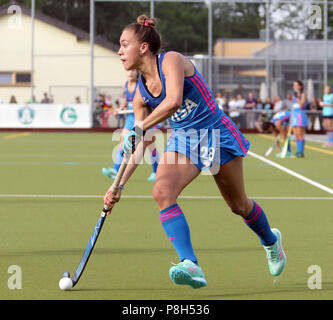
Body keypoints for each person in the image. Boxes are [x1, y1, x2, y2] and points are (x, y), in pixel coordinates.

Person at [104, 14, 286, 289]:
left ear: (143, 47)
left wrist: (140, 128)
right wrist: (118, 185)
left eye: (124, 44)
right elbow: (142, 143)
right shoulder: (140, 94)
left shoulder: (172, 60)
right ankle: (190, 264)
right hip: (183, 139)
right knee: (162, 192)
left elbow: (174, 100)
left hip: (215, 132)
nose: (119, 51)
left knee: (239, 205)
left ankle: (271, 242)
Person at [102, 69, 159, 182]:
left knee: (151, 146)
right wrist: (120, 109)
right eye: (128, 71)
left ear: (137, 73)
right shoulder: (126, 84)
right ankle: (115, 170)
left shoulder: (141, 84)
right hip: (130, 118)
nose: (130, 73)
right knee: (123, 142)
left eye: (133, 71)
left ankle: (156, 171)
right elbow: (126, 100)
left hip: (143, 118)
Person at [291, 80, 308, 158]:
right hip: (294, 115)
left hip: (300, 115)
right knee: (296, 134)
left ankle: (301, 151)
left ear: (300, 86)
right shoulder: (294, 96)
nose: (295, 87)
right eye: (294, 85)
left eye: (297, 85)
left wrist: (298, 97)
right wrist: (291, 118)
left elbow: (301, 104)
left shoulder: (303, 94)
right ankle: (298, 151)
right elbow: (292, 108)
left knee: (300, 134)